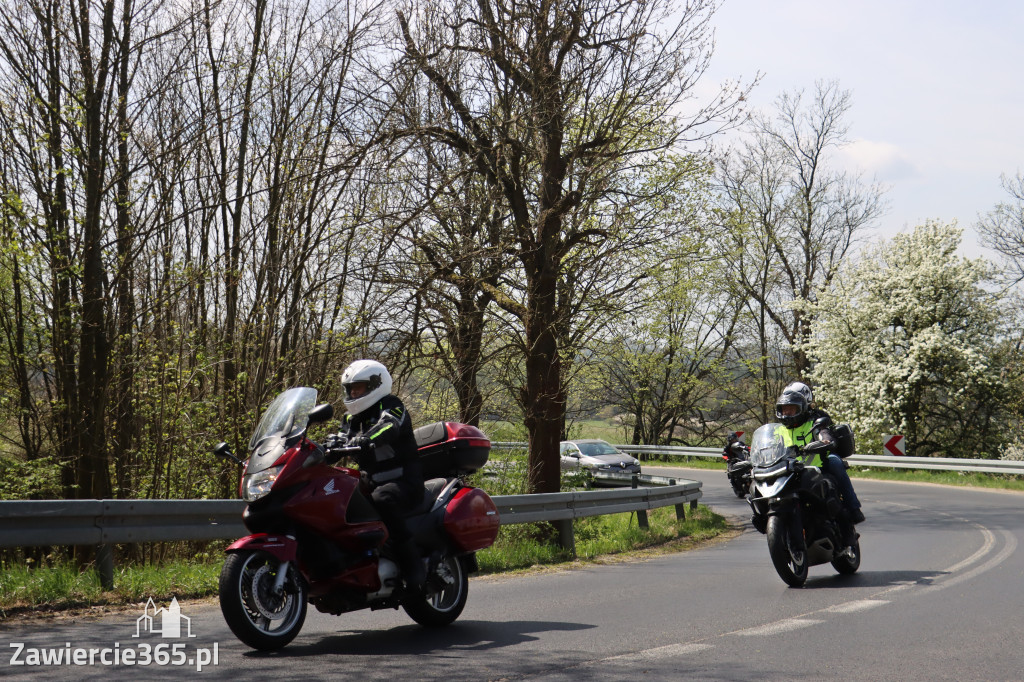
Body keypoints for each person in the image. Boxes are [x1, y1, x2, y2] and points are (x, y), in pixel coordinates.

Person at [326, 359, 426, 591]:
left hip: (402, 481)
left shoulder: (392, 405)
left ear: (375, 385)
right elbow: (342, 438)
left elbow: (389, 426)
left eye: (358, 387)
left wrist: (367, 439)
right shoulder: (350, 418)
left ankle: (413, 565)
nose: (352, 392)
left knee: (384, 500)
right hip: (370, 482)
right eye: (350, 388)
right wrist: (324, 448)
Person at [774, 381, 866, 533]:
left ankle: (853, 507)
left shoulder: (817, 418)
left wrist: (825, 440)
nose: (787, 413)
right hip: (792, 467)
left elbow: (824, 432)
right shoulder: (779, 429)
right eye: (785, 409)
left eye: (792, 408)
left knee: (836, 463)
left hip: (820, 461)